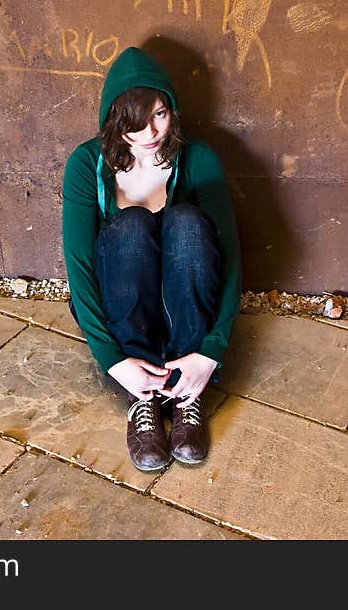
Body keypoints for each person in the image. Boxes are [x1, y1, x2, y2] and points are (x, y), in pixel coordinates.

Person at [62, 46, 241, 472]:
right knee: (131, 225)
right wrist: (113, 361)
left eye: (159, 114)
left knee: (187, 222)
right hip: (126, 309)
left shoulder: (197, 158)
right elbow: (80, 269)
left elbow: (231, 258)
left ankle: (186, 392)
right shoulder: (87, 164)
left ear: (172, 110)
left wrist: (211, 352)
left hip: (188, 310)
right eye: (134, 122)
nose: (149, 132)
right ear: (114, 121)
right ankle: (142, 398)